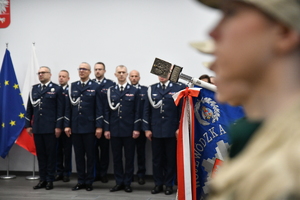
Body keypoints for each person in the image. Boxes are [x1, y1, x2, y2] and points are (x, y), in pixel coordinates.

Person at [195, 0, 300, 199]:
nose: (213, 32)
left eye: (231, 13)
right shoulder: (272, 149)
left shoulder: (289, 168)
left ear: (283, 32)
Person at [64, 62, 103, 192]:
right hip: (75, 126)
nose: (81, 71)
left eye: (84, 69)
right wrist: (67, 125)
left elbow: (99, 108)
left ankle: (89, 181)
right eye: (80, 69)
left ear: (89, 72)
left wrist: (99, 127)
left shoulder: (96, 87)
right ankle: (81, 180)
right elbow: (68, 108)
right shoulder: (73, 86)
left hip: (90, 127)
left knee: (90, 156)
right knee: (79, 156)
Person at [143, 76, 184, 195]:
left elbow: (181, 110)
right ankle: (158, 184)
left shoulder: (178, 88)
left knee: (170, 160)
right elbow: (146, 111)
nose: (161, 76)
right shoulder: (152, 89)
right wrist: (147, 129)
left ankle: (169, 184)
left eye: (164, 73)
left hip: (171, 130)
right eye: (159, 73)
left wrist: (179, 128)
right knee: (157, 160)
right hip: (156, 130)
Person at [25, 66, 64, 190]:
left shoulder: (57, 89)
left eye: (43, 73)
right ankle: (42, 179)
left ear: (50, 74)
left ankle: (50, 180)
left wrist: (58, 126)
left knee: (51, 155)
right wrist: (28, 125)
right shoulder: (34, 89)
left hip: (50, 128)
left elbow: (60, 110)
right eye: (39, 73)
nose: (41, 75)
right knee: (40, 154)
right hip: (37, 127)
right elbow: (29, 109)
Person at [104, 65, 140, 193]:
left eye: (123, 72)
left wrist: (136, 128)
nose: (121, 74)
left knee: (129, 158)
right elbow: (107, 111)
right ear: (115, 74)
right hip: (114, 130)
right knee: (117, 158)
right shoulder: (111, 91)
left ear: (127, 74)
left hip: (129, 130)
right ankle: (119, 182)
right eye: (119, 72)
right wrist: (107, 129)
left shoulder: (134, 91)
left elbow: (137, 112)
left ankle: (128, 182)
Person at [92, 62, 114, 183]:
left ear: (104, 71)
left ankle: (104, 173)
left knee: (105, 151)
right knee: (93, 151)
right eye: (96, 69)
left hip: (106, 122)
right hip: (91, 123)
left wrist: (106, 126)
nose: (98, 71)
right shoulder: (89, 84)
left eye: (100, 69)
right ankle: (95, 173)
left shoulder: (110, 84)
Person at [128, 70, 148, 185]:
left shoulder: (145, 90)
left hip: (140, 127)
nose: (134, 78)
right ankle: (129, 175)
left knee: (141, 153)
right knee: (129, 154)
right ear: (129, 77)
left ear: (139, 77)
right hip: (128, 128)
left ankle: (141, 175)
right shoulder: (125, 90)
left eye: (136, 76)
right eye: (132, 76)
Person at [55, 70, 72, 182]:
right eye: (60, 76)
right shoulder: (54, 90)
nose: (61, 78)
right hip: (56, 125)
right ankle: (59, 172)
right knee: (57, 150)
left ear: (68, 78)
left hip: (68, 126)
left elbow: (70, 109)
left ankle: (67, 173)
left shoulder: (71, 90)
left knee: (67, 151)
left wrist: (67, 125)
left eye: (63, 76)